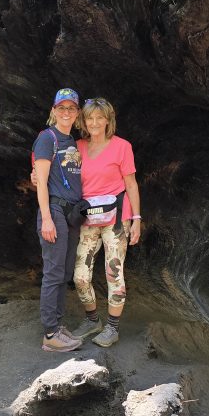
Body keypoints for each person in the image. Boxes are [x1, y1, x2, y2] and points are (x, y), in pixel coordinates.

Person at [68, 98, 141, 347]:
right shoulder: (76, 147)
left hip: (117, 218)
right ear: (83, 121)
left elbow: (131, 184)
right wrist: (37, 175)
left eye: (100, 117)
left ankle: (112, 328)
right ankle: (92, 320)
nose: (95, 122)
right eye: (90, 118)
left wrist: (137, 220)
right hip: (89, 218)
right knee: (80, 276)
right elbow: (60, 174)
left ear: (108, 120)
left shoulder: (122, 147)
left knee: (114, 272)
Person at [32, 88, 85, 352]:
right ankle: (50, 334)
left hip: (71, 214)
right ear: (53, 111)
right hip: (53, 212)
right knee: (53, 273)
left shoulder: (72, 141)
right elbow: (40, 181)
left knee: (64, 273)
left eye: (71, 108)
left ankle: (58, 325)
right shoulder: (47, 138)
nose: (66, 112)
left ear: (77, 113)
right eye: (61, 108)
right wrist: (47, 220)